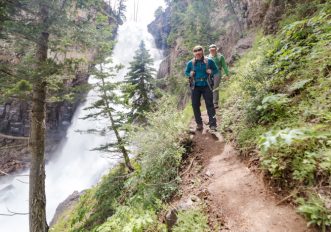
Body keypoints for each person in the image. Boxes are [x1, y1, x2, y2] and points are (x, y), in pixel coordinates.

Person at [185, 45, 219, 132]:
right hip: (195, 86)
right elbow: (186, 72)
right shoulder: (190, 63)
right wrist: (190, 74)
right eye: (196, 52)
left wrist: (211, 72)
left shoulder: (209, 61)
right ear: (194, 53)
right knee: (195, 105)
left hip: (206, 85)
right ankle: (199, 124)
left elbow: (216, 70)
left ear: (202, 52)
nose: (197, 53)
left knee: (210, 105)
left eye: (199, 51)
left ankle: (213, 124)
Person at [207, 44, 229, 109]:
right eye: (211, 50)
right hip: (209, 74)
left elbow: (224, 66)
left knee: (215, 87)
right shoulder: (208, 57)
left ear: (216, 50)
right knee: (209, 87)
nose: (212, 51)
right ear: (209, 51)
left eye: (213, 50)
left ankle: (215, 103)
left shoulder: (220, 57)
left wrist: (227, 74)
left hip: (217, 73)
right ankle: (210, 102)